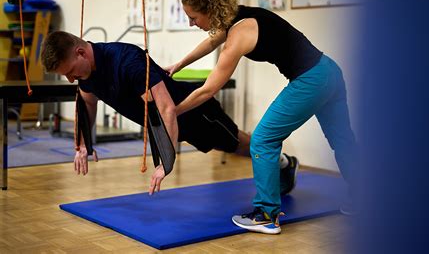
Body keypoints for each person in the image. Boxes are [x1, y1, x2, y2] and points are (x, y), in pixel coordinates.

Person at [165, 0, 358, 234]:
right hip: (329, 71)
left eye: (193, 17)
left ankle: (266, 214)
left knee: (263, 139)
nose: (191, 23)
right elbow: (210, 42)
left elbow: (208, 90)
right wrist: (179, 64)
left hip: (311, 80)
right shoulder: (239, 15)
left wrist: (172, 111)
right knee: (343, 140)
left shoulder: (239, 35)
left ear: (209, 10)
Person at [40, 30, 298, 197]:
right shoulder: (87, 74)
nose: (71, 78)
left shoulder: (127, 61)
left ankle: (284, 162)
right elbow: (86, 104)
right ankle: (277, 159)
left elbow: (166, 108)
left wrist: (166, 159)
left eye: (70, 70)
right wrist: (83, 144)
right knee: (230, 146)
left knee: (238, 144)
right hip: (170, 123)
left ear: (81, 52)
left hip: (196, 112)